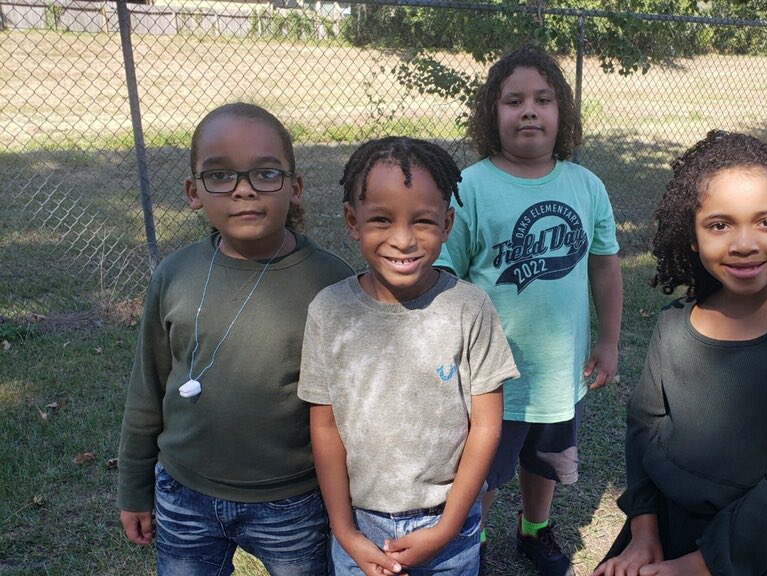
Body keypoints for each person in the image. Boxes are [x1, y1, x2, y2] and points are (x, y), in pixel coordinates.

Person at [592, 130, 767, 576]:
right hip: (655, 534)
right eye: (719, 225)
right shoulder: (673, 324)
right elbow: (643, 426)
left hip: (742, 553)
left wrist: (695, 566)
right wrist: (644, 533)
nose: (743, 243)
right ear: (692, 237)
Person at [116, 102, 354, 575]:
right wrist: (133, 487)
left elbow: (353, 409)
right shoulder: (174, 275)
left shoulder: (333, 283)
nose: (243, 189)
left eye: (266, 173)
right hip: (184, 495)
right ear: (193, 192)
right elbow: (148, 389)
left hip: (293, 503)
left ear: (295, 186)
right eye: (219, 175)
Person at [435, 44, 624, 576]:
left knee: (545, 460)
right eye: (513, 100)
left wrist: (607, 341)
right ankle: (475, 540)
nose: (529, 111)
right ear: (491, 114)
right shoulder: (469, 187)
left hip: (559, 371)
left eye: (543, 99)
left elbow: (605, 268)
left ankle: (534, 528)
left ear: (561, 113)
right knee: (485, 470)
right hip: (491, 375)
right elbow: (446, 274)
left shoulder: (585, 187)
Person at [298, 136, 519, 576]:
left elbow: (487, 424)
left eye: (422, 221)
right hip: (361, 527)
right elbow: (324, 427)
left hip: (448, 527)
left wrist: (448, 527)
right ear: (351, 220)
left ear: (448, 222)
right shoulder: (329, 310)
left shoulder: (469, 307)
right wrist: (345, 531)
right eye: (381, 219)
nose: (402, 240)